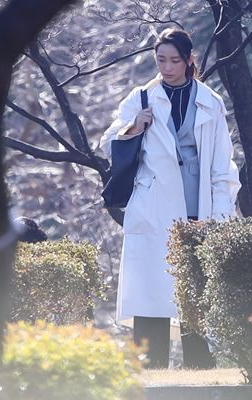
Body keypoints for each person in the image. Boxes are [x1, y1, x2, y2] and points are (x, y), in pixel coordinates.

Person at [100, 28, 241, 369]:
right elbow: (107, 143)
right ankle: (151, 370)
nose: (166, 67)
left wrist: (220, 215)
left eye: (174, 60)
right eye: (160, 60)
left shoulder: (210, 101)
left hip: (200, 210)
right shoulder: (142, 98)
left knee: (195, 294)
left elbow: (223, 164)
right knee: (152, 296)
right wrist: (133, 127)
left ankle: (200, 368)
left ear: (188, 59)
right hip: (154, 208)